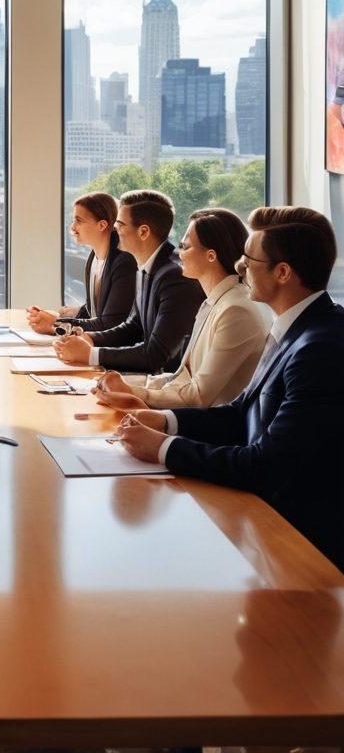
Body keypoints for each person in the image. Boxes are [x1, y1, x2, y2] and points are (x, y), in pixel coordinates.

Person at [116, 206, 344, 573]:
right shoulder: (297, 328)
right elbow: (241, 413)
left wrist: (162, 448)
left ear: (282, 273)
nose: (239, 266)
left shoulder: (321, 347)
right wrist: (166, 421)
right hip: (265, 520)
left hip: (299, 545)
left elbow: (266, 466)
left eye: (249, 260)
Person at [93, 208, 270, 409]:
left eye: (185, 246)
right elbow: (181, 377)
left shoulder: (236, 311)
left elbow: (198, 396)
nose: (178, 253)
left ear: (211, 256)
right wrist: (124, 383)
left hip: (210, 423)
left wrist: (131, 391)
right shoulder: (216, 301)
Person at [54, 189, 204, 374]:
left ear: (143, 232)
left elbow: (156, 356)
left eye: (120, 225)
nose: (114, 229)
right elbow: (132, 327)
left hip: (164, 384)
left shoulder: (176, 278)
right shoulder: (148, 267)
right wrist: (89, 338)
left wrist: (91, 355)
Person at [26, 193, 136, 335]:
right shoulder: (93, 258)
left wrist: (56, 323)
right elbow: (92, 313)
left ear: (102, 225)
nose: (73, 227)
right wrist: (53, 318)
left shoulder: (124, 263)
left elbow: (110, 323)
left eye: (79, 221)